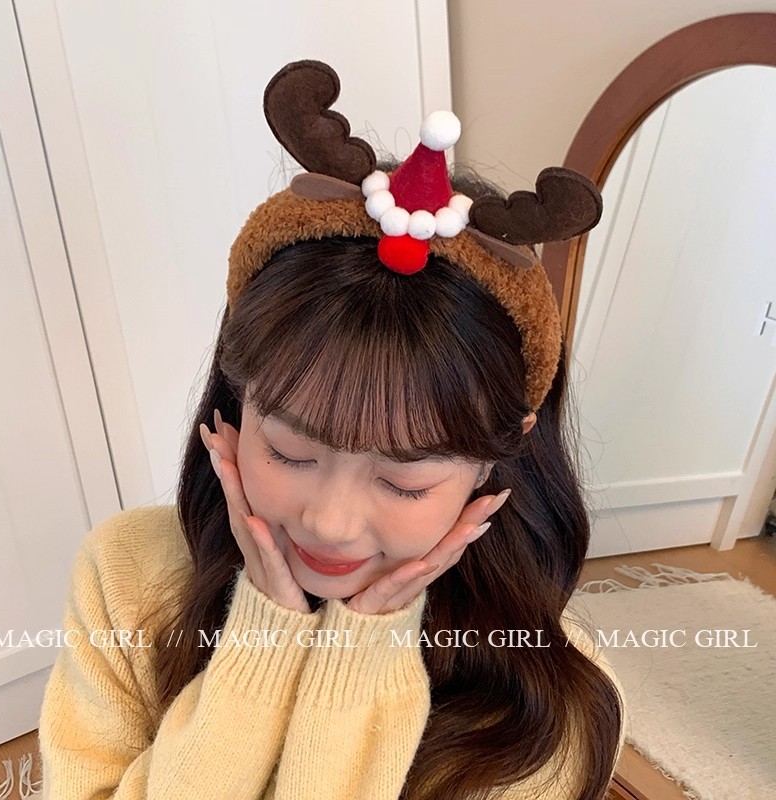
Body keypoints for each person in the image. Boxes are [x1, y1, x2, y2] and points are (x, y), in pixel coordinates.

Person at [36, 60, 627, 800]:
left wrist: (361, 657)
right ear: (238, 402)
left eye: (404, 481)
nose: (330, 524)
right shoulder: (127, 576)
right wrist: (261, 641)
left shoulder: (549, 710)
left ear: (495, 459)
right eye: (289, 451)